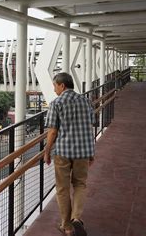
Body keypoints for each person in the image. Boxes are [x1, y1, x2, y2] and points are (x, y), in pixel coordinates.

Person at [44, 72, 95, 236]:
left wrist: (46, 152)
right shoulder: (86, 101)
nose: (54, 90)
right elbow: (90, 126)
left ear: (62, 85)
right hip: (83, 151)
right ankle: (77, 219)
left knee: (62, 189)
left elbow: (52, 131)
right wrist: (91, 152)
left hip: (63, 152)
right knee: (80, 184)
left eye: (55, 86)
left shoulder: (56, 103)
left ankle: (66, 226)